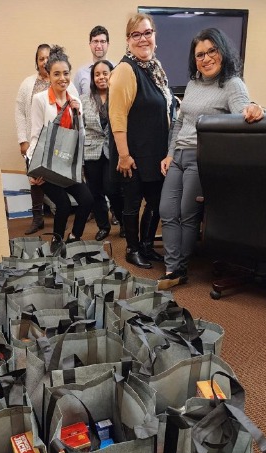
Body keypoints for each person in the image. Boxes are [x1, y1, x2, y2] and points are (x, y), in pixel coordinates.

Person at [157, 28, 264, 289]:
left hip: (202, 157)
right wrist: (170, 154)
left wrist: (254, 108)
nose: (205, 59)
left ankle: (178, 270)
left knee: (186, 213)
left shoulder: (232, 84)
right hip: (179, 155)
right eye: (200, 54)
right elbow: (180, 122)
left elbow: (243, 111)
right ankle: (172, 267)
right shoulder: (193, 84)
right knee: (167, 212)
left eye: (211, 51)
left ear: (222, 52)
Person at [108, 14, 175, 269]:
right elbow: (117, 117)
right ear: (128, 40)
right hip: (133, 154)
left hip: (155, 152)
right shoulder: (126, 70)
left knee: (157, 202)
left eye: (147, 33)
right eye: (136, 34)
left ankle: (147, 246)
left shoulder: (155, 69)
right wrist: (124, 156)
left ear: (154, 37)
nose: (143, 39)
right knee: (132, 204)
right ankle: (132, 249)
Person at [26, 46, 94, 251]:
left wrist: (78, 115)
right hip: (47, 164)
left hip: (67, 163)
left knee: (87, 200)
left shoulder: (76, 103)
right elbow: (35, 135)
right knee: (62, 205)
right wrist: (32, 168)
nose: (62, 78)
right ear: (49, 75)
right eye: (57, 74)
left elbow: (80, 136)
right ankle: (57, 242)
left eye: (66, 73)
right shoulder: (40, 100)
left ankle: (73, 238)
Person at [80, 60, 122, 241]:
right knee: (95, 191)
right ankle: (103, 226)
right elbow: (80, 130)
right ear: (92, 78)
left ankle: (122, 221)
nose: (101, 77)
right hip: (91, 151)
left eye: (105, 73)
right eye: (97, 74)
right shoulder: (83, 100)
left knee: (113, 189)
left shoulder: (119, 97)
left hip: (113, 150)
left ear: (112, 74)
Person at [15, 44, 52, 235]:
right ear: (36, 62)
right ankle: (38, 218)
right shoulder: (28, 84)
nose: (45, 61)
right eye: (41, 58)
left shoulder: (59, 79)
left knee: (56, 177)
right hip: (34, 139)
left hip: (54, 140)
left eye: (48, 57)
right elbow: (20, 112)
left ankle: (62, 211)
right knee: (35, 179)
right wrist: (23, 140)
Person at [73, 25, 110, 96]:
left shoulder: (116, 69)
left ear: (107, 44)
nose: (99, 46)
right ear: (90, 44)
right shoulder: (80, 73)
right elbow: (76, 101)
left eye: (102, 41)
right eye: (95, 41)